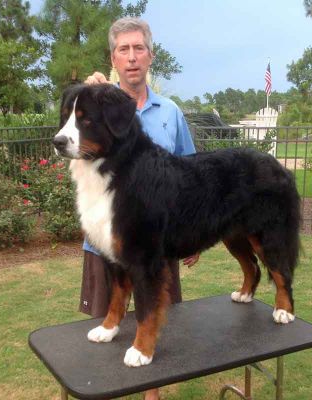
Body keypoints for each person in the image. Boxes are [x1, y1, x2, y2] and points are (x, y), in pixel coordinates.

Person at [80, 17, 199, 400]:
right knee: (107, 332)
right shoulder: (94, 104)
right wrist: (88, 93)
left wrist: (195, 229)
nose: (131, 57)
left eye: (139, 48)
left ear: (150, 55)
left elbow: (190, 172)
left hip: (157, 241)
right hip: (108, 241)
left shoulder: (170, 112)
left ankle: (152, 395)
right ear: (112, 58)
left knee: (154, 325)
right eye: (123, 49)